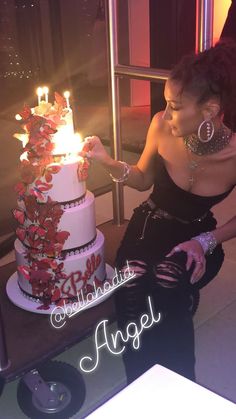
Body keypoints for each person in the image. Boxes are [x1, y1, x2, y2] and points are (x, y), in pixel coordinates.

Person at [80, 40, 236, 383]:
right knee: (133, 281)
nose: (166, 115)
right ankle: (139, 385)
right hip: (149, 224)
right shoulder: (160, 127)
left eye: (174, 107)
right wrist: (107, 161)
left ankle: (179, 392)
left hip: (198, 236)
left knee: (168, 281)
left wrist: (206, 241)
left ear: (209, 110)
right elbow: (142, 179)